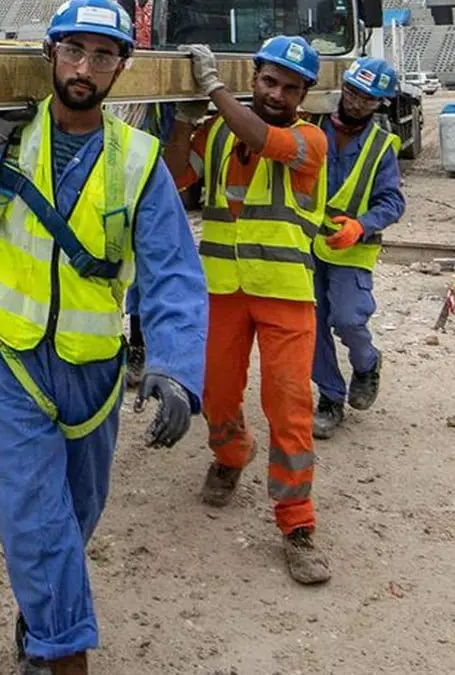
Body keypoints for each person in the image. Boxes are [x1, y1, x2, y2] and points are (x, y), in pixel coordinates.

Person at [0, 0, 208, 669]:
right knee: (34, 518)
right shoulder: (6, 138)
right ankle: (59, 649)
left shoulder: (138, 161)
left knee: (75, 516)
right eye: (75, 51)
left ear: (122, 66)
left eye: (103, 55)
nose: (86, 68)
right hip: (10, 362)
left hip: (94, 371)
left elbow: (173, 272)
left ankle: (42, 612)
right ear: (51, 55)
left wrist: (175, 367)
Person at [165, 36, 332, 584]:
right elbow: (175, 178)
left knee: (289, 409)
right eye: (268, 81)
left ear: (304, 94)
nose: (277, 93)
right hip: (224, 290)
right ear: (255, 78)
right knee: (215, 393)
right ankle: (230, 455)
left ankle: (297, 524)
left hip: (285, 295)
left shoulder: (308, 139)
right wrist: (185, 122)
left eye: (290, 87)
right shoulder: (217, 133)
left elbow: (262, 138)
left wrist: (212, 88)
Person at [308, 57, 406, 439]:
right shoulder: (313, 127)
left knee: (348, 319)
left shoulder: (381, 147)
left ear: (380, 103)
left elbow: (393, 202)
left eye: (366, 98)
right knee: (312, 324)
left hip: (352, 249)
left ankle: (366, 364)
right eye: (351, 92)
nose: (354, 102)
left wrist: (361, 226)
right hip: (308, 244)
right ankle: (330, 397)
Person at [105, 101, 181, 388]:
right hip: (109, 181)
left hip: (146, 181)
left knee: (148, 270)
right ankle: (126, 344)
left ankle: (141, 346)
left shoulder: (158, 98)